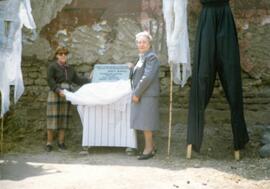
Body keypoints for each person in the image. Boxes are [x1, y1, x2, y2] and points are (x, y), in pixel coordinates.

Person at [187, 0, 249, 153]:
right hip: (207, 16)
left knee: (231, 75)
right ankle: (193, 139)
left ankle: (239, 140)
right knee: (202, 76)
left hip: (225, 15)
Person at [46, 46, 90, 152]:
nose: (63, 56)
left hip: (67, 94)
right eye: (61, 54)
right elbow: (50, 80)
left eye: (65, 54)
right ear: (57, 55)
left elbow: (78, 80)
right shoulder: (52, 66)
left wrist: (91, 79)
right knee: (52, 119)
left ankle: (61, 142)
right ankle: (49, 143)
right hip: (55, 93)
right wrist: (58, 90)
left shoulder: (70, 69)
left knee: (64, 119)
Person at [130, 31, 160, 160]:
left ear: (149, 44)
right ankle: (152, 146)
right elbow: (139, 72)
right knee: (143, 122)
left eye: (144, 42)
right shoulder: (142, 56)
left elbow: (147, 77)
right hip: (144, 94)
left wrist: (136, 93)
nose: (141, 44)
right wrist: (131, 67)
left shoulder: (151, 57)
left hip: (147, 95)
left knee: (146, 124)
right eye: (139, 42)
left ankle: (148, 150)